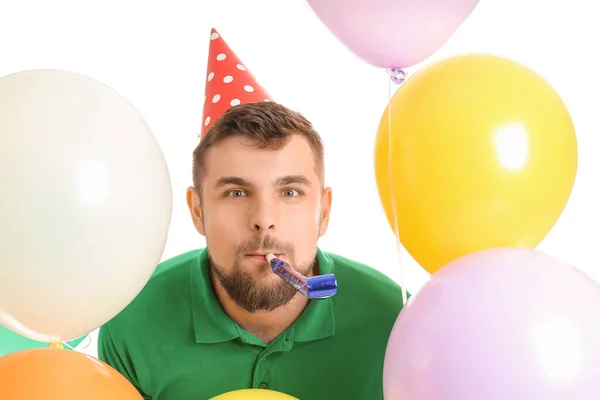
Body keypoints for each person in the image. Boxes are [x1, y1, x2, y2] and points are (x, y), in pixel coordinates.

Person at [97, 102, 408, 399]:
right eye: (236, 192)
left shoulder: (396, 322)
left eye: (290, 192)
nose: (263, 220)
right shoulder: (131, 318)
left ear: (323, 213)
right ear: (198, 211)